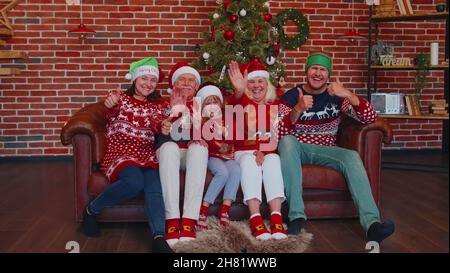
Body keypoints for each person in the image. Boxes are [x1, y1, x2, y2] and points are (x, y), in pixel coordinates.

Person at [277, 50, 395, 244]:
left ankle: (372, 225)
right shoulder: (292, 95)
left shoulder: (337, 95)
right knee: (287, 141)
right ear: (306, 71)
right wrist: (298, 108)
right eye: (314, 68)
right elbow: (279, 132)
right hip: (296, 148)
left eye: (323, 70)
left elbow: (370, 117)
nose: (318, 73)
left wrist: (348, 94)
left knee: (351, 156)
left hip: (326, 150)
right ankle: (296, 216)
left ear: (328, 74)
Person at [81, 57, 173, 253]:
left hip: (145, 153)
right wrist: (111, 103)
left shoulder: (156, 106)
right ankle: (91, 211)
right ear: (134, 79)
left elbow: (158, 121)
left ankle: (158, 238)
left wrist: (164, 125)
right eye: (144, 79)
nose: (148, 84)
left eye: (153, 80)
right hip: (120, 151)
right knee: (134, 182)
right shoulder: (120, 98)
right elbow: (110, 111)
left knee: (154, 187)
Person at [227, 58, 292, 241]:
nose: (256, 85)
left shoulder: (276, 106)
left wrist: (265, 150)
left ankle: (276, 217)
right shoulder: (241, 101)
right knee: (249, 162)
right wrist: (239, 91)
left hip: (268, 151)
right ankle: (255, 218)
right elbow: (234, 103)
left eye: (260, 81)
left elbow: (282, 131)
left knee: (274, 161)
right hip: (244, 151)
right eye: (251, 81)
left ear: (267, 83)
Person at [155, 62, 209, 246]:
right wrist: (171, 113)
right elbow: (157, 129)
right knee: (170, 147)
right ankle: (171, 219)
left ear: (196, 86)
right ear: (174, 84)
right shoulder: (162, 103)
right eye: (182, 79)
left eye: (191, 80)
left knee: (199, 148)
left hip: (190, 154)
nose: (186, 83)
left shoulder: (202, 105)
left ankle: (188, 220)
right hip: (168, 151)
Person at [194, 83, 241, 230]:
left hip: (228, 155)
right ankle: (204, 209)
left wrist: (229, 142)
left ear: (220, 104)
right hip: (213, 155)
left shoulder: (227, 118)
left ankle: (225, 209)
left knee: (236, 171)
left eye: (215, 102)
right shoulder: (203, 121)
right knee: (222, 172)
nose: (212, 106)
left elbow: (236, 134)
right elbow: (205, 138)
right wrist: (218, 146)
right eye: (208, 103)